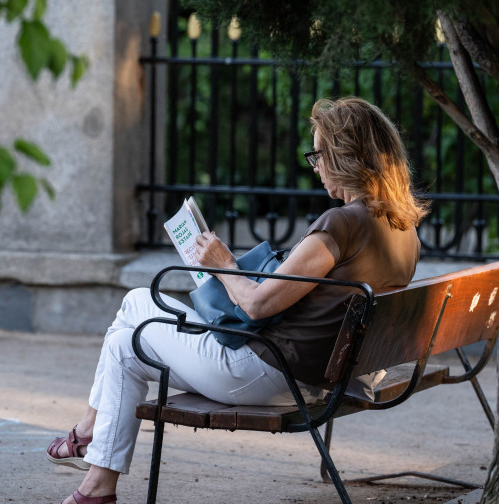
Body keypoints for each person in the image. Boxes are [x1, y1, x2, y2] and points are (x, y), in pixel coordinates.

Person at [46, 96, 428, 504]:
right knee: (130, 325)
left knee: (133, 321)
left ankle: (90, 446)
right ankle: (94, 478)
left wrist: (220, 262)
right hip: (338, 374)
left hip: (274, 375)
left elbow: (258, 306)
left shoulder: (341, 224)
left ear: (344, 154)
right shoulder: (403, 228)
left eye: (317, 154)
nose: (314, 166)